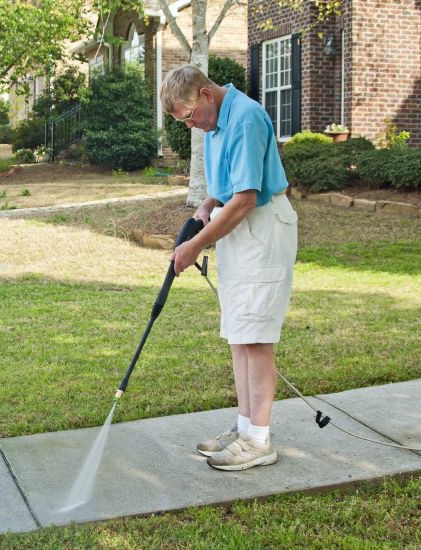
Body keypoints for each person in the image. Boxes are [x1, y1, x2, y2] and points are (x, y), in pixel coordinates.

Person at [160, 65, 298, 471]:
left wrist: (194, 246)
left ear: (205, 94)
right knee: (239, 334)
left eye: (189, 117)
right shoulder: (216, 124)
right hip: (237, 232)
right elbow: (225, 192)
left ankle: (259, 439)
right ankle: (243, 428)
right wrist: (205, 207)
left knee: (255, 335)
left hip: (262, 230)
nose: (192, 127)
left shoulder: (247, 117)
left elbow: (245, 199)